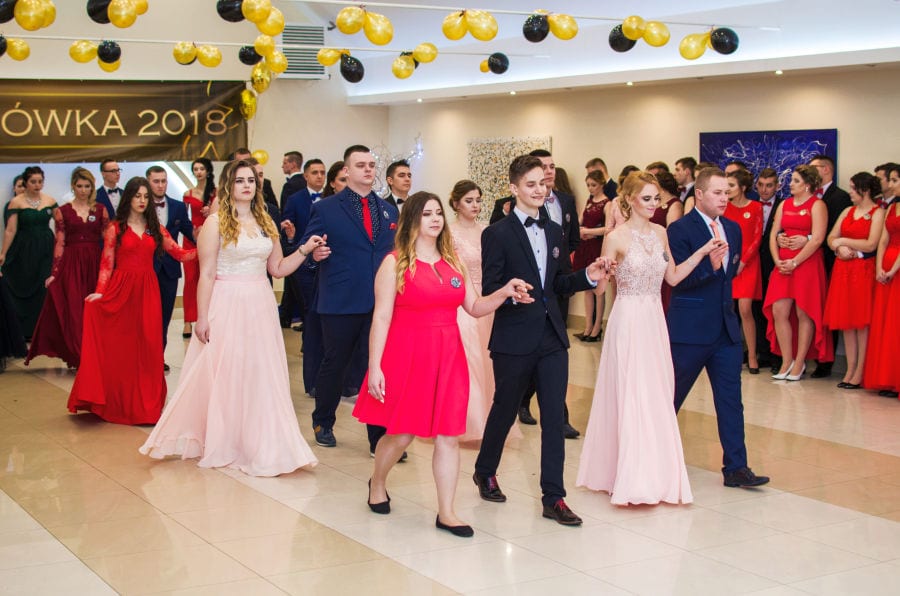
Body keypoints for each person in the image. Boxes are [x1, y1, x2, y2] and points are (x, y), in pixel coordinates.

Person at [355, 191, 531, 536]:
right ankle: (378, 481)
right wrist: (375, 366)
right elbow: (381, 318)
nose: (435, 219)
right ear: (412, 220)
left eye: (438, 213)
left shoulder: (454, 262)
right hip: (408, 356)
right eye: (426, 214)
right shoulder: (394, 263)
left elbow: (475, 307)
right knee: (401, 434)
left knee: (449, 434)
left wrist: (504, 292)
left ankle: (447, 512)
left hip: (449, 356)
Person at [140, 161, 320, 476]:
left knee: (259, 372)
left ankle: (260, 440)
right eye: (240, 181)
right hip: (227, 301)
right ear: (228, 185)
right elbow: (207, 273)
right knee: (226, 372)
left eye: (251, 180)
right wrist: (202, 317)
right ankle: (225, 438)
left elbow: (277, 269)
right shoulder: (216, 223)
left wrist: (304, 250)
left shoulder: (266, 221)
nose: (247, 185)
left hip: (261, 303)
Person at [473, 155, 610, 527]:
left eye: (543, 184)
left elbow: (559, 283)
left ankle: (554, 497)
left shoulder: (553, 230)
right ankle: (485, 470)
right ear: (514, 188)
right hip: (513, 336)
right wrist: (510, 292)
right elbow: (491, 287)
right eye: (530, 184)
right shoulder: (497, 233)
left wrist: (588, 275)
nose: (539, 190)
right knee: (504, 408)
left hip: (551, 335)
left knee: (553, 417)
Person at [577, 171, 720, 505]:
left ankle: (655, 472)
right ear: (629, 200)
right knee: (631, 392)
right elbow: (600, 289)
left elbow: (673, 277)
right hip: (628, 319)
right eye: (646, 198)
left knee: (656, 392)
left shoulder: (661, 233)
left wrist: (701, 254)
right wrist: (601, 273)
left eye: (656, 198)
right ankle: (628, 475)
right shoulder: (615, 237)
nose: (654, 204)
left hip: (654, 320)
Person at [668, 168, 770, 488]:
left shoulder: (733, 229)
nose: (725, 198)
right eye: (717, 193)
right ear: (699, 194)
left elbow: (730, 278)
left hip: (726, 330)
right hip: (690, 330)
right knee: (671, 397)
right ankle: (650, 458)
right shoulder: (679, 230)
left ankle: (736, 467)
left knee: (731, 401)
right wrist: (708, 269)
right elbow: (677, 281)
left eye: (727, 192)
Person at [67, 177, 196, 424]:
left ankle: (146, 404)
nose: (142, 201)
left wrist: (209, 249)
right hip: (121, 289)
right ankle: (117, 401)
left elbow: (179, 254)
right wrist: (100, 292)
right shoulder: (116, 228)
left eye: (146, 197)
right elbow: (107, 263)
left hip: (148, 291)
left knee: (149, 346)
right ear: (129, 198)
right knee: (122, 348)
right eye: (138, 196)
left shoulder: (155, 228)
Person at [301, 145, 399, 452]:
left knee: (377, 365)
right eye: (361, 165)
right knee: (336, 362)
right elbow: (308, 249)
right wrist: (314, 255)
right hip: (341, 300)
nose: (368, 169)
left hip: (380, 301)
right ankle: (323, 421)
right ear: (346, 170)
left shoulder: (388, 210)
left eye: (371, 165)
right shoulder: (327, 209)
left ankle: (378, 437)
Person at [448, 180, 519, 444]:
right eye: (469, 201)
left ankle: (489, 423)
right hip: (461, 301)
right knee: (469, 359)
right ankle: (467, 422)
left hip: (488, 298)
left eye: (478, 200)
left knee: (489, 360)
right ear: (456, 203)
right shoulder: (449, 233)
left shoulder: (488, 231)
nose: (475, 205)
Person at [25, 168, 109, 369]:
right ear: (73, 186)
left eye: (87, 186)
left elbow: (108, 241)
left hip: (94, 263)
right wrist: (55, 273)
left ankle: (93, 353)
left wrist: (111, 268)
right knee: (74, 310)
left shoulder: (100, 209)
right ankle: (79, 355)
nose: (83, 190)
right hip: (71, 264)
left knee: (93, 310)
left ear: (92, 187)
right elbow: (60, 242)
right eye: (79, 186)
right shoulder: (62, 211)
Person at [764, 164, 832, 381]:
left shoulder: (817, 205)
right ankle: (787, 360)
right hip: (783, 264)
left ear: (808, 185)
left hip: (806, 263)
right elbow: (773, 234)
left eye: (795, 181)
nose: (791, 184)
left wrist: (795, 261)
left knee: (804, 312)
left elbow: (818, 238)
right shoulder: (784, 204)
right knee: (779, 311)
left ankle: (800, 362)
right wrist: (778, 259)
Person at [823, 172, 884, 390]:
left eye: (852, 188)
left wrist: (843, 241)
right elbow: (831, 237)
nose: (850, 192)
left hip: (863, 270)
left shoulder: (878, 212)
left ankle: (860, 371)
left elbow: (871, 244)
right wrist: (838, 246)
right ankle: (849, 368)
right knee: (846, 322)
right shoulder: (848, 211)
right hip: (843, 269)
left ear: (864, 190)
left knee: (861, 322)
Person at [0, 166, 57, 338]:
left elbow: (61, 225)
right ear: (25, 183)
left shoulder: (50, 200)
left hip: (46, 248)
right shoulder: (16, 202)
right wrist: (3, 253)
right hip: (23, 249)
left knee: (43, 286)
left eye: (40, 181)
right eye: (33, 182)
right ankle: (22, 331)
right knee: (23, 283)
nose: (37, 185)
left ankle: (41, 331)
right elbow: (10, 230)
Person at [147, 165, 194, 370]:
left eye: (163, 181)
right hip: (145, 269)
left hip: (169, 270)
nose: (160, 185)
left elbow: (189, 232)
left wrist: (206, 236)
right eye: (156, 181)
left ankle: (158, 358)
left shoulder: (177, 207)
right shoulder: (140, 207)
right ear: (148, 182)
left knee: (165, 316)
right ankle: (144, 358)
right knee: (145, 317)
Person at [863, 165, 900, 398]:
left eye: (895, 180)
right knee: (885, 323)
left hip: (897, 269)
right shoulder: (892, 208)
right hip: (886, 267)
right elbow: (883, 240)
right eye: (892, 180)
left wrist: (893, 269)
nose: (892, 184)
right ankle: (886, 378)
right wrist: (879, 268)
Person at [723, 167, 764, 374]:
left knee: (745, 309)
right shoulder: (725, 208)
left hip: (748, 264)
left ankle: (752, 355)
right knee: (729, 309)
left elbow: (757, 237)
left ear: (743, 187)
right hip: (729, 262)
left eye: (731, 185)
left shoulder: (755, 207)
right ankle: (733, 353)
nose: (727, 190)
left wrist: (743, 261)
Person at [572, 170, 610, 342]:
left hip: (597, 247)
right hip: (585, 246)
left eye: (593, 185)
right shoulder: (588, 201)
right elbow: (580, 221)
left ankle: (597, 327)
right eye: (588, 185)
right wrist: (579, 230)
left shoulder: (607, 203)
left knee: (598, 289)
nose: (590, 188)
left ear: (601, 184)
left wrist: (589, 231)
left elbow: (608, 228)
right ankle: (587, 326)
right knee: (586, 287)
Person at [181, 158, 215, 338]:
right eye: (195, 169)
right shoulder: (187, 193)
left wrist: (211, 212)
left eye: (202, 168)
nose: (199, 172)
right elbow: (184, 218)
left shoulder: (216, 193)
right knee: (190, 279)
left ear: (208, 171)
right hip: (191, 238)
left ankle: (209, 316)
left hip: (211, 237)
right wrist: (192, 231)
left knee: (210, 277)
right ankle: (188, 320)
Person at [753, 168, 782, 372]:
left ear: (777, 186)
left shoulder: (783, 205)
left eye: (769, 185)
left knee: (776, 311)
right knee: (756, 310)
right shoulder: (751, 205)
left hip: (774, 262)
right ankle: (762, 352)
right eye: (761, 185)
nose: (764, 190)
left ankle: (777, 356)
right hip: (754, 264)